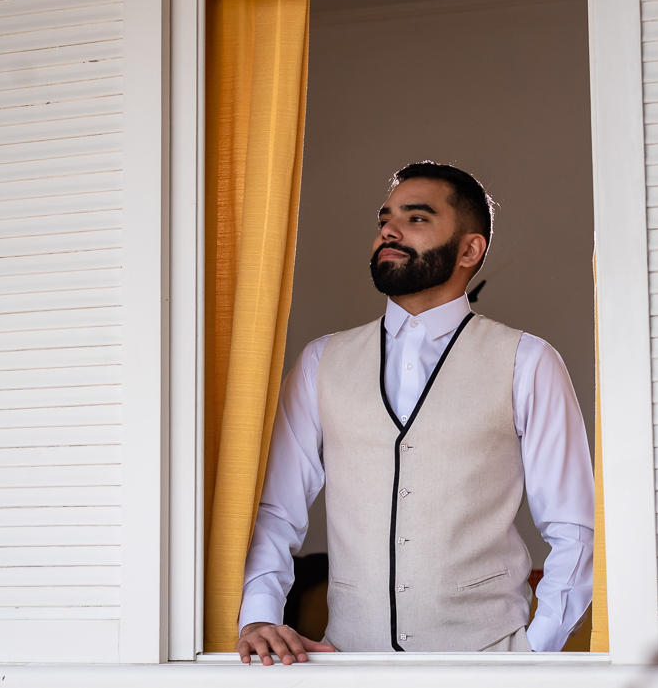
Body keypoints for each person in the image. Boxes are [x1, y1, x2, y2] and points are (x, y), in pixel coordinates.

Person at [236, 162, 594, 664]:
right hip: (350, 664)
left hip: (491, 662)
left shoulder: (527, 361)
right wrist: (259, 615)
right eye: (385, 217)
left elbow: (575, 528)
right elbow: (275, 513)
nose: (389, 228)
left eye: (417, 217)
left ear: (471, 249)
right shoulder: (321, 362)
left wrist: (533, 654)